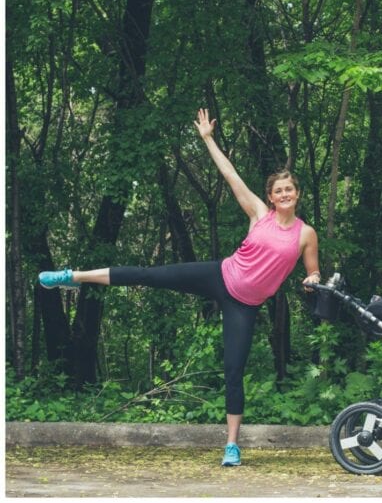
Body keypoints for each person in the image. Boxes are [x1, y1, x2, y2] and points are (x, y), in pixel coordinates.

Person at [38, 109, 322, 467]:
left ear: (297, 194)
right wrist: (207, 138)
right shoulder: (258, 214)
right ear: (270, 196)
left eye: (289, 189)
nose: (284, 194)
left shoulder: (306, 234)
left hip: (245, 306)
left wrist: (313, 280)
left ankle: (232, 446)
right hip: (220, 274)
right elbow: (229, 173)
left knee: (234, 370)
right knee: (148, 274)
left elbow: (313, 272)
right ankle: (72, 276)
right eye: (278, 190)